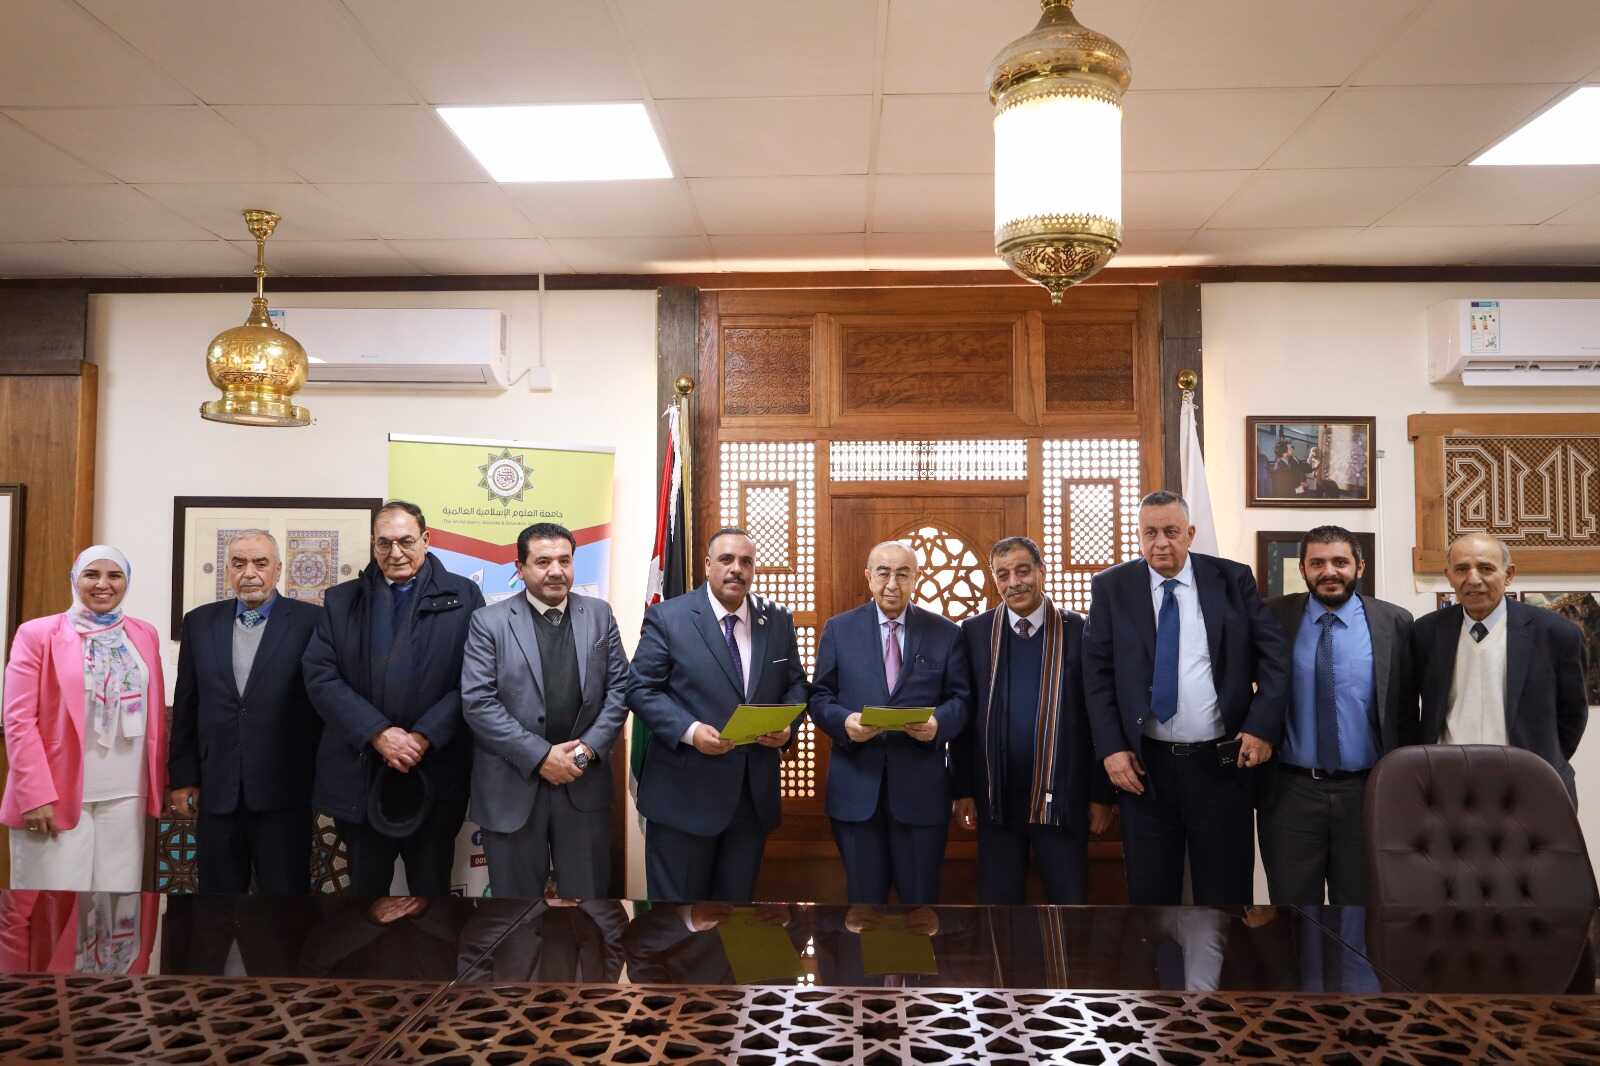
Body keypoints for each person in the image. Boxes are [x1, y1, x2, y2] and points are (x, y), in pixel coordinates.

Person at [1083, 491, 1289, 905]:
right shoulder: (1112, 587)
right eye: (1150, 533)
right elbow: (1096, 676)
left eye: (1171, 532)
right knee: (1151, 896)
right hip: (1146, 768)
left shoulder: (1232, 579)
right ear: (1138, 537)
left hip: (1221, 764)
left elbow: (1275, 659)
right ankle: (1156, 954)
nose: (1161, 543)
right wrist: (1112, 749)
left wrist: (1261, 727)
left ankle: (1225, 952)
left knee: (1225, 896)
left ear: (1190, 534)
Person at [303, 500, 485, 896]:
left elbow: (476, 679)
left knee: (431, 897)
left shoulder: (464, 596)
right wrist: (378, 733)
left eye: (406, 541)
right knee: (365, 899)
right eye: (384, 543)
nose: (395, 552)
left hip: (436, 771)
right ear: (373, 544)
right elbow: (321, 677)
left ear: (426, 539)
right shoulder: (341, 601)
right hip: (361, 773)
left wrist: (422, 737)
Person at [628, 526, 809, 903]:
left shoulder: (777, 619)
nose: (736, 569)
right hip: (683, 799)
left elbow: (796, 683)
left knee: (735, 921)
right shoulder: (668, 617)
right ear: (708, 564)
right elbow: (640, 689)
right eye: (726, 559)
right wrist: (690, 730)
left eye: (746, 561)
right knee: (678, 925)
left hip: (750, 802)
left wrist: (786, 728)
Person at [460, 522, 630, 899]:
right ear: (519, 568)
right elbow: (478, 703)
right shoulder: (488, 622)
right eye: (543, 562)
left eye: (564, 561)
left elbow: (620, 689)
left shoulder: (599, 615)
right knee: (515, 912)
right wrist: (541, 757)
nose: (556, 571)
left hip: (582, 784)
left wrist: (584, 753)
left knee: (587, 908)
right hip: (512, 787)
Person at [1259, 526, 1417, 905]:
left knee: (1361, 910)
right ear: (1303, 569)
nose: (1329, 571)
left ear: (1359, 567)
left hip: (1366, 792)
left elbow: (1407, 712)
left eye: (1340, 562)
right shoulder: (1272, 617)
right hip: (1291, 793)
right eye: (1317, 563)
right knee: (1293, 913)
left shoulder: (1395, 623)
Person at [952, 536, 1115, 904]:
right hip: (996, 799)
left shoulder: (1081, 631)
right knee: (999, 908)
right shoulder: (974, 632)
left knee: (1068, 905)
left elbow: (1102, 716)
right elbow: (964, 716)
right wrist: (962, 790)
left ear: (1041, 571)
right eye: (1003, 575)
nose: (1014, 583)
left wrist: (1101, 795)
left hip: (1065, 799)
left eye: (1023, 571)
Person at [809, 541, 970, 904]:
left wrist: (938, 724)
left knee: (920, 910)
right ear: (869, 577)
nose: (892, 584)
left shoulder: (946, 633)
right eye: (883, 573)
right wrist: (845, 722)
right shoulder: (839, 630)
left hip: (922, 793)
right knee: (864, 910)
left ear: (917, 578)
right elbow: (818, 698)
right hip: (855, 791)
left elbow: (962, 701)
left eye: (903, 574)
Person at [1, 546, 167, 891]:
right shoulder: (37, 634)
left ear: (126, 581)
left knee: (116, 905)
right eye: (92, 574)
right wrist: (34, 795)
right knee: (53, 906)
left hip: (127, 794)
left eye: (114, 575)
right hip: (56, 796)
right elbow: (18, 720)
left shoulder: (143, 633)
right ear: (75, 579)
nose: (103, 584)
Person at [168, 530, 323, 895]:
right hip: (216, 789)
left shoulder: (312, 622)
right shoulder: (200, 622)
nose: (249, 573)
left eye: (260, 563)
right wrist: (182, 778)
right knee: (218, 906)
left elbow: (324, 704)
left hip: (285, 791)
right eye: (238, 564)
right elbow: (187, 704)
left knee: (285, 904)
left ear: (278, 569)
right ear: (227, 570)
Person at [1414, 532, 1588, 803]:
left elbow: (1573, 715)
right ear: (1449, 576)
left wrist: (1544, 759)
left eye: (1485, 568)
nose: (1473, 579)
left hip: (1532, 784)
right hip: (1450, 785)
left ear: (1509, 574)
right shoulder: (1426, 631)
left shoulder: (1556, 633)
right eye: (1461, 569)